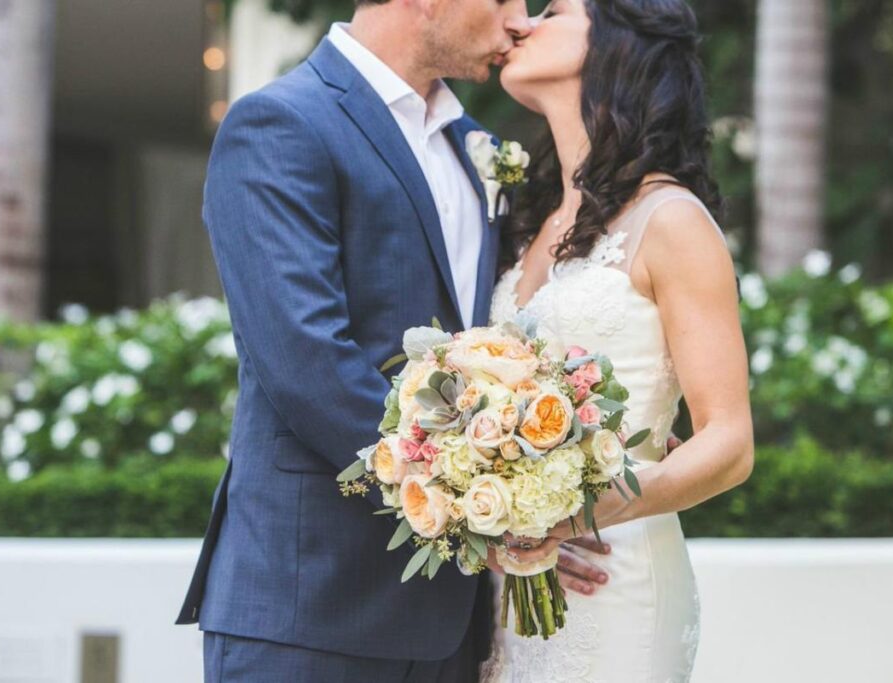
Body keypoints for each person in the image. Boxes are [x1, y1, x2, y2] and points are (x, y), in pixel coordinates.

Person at [172, 1, 612, 681]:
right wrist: (480, 512)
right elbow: (307, 363)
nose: (520, 20)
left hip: (454, 622)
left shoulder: (477, 146)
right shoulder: (281, 123)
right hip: (311, 605)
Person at [481, 1, 754, 680]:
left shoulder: (671, 219)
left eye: (553, 10)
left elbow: (730, 443)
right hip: (518, 588)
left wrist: (580, 514)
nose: (522, 23)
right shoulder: (532, 221)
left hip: (617, 579)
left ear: (617, 43)